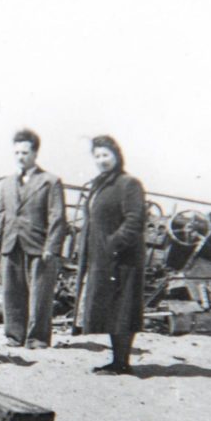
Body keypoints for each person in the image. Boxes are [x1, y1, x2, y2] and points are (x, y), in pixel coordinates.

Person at [0, 129, 67, 349]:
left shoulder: (50, 181)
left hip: (39, 246)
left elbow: (57, 217)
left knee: (40, 295)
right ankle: (14, 335)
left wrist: (52, 246)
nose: (20, 157)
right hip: (11, 243)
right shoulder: (6, 183)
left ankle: (37, 338)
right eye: (17, 153)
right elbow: (0, 215)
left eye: (25, 152)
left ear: (35, 153)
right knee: (12, 293)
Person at [75, 135, 146, 375]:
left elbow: (135, 221)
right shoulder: (100, 184)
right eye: (97, 156)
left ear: (117, 156)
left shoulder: (128, 184)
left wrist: (112, 244)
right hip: (103, 257)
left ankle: (122, 363)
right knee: (112, 308)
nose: (102, 160)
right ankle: (117, 360)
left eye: (106, 155)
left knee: (122, 308)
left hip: (122, 259)